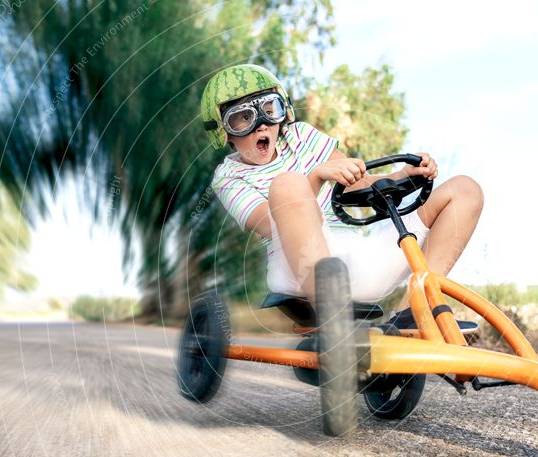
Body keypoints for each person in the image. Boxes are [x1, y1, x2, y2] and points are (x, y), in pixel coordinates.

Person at [201, 64, 484, 326]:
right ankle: (329, 313)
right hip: (296, 267)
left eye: (269, 110)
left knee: (464, 190)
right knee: (287, 184)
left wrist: (404, 175)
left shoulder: (301, 137)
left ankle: (414, 311)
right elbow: (270, 224)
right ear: (224, 132)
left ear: (282, 111)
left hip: (359, 258)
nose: (261, 124)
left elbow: (360, 184)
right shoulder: (229, 176)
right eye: (242, 118)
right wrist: (315, 176)